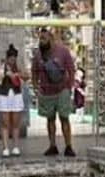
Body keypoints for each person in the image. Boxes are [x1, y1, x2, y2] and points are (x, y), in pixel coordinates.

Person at [32, 27, 76, 157]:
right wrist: (36, 87)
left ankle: (68, 146)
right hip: (46, 92)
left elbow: (71, 69)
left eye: (44, 38)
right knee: (50, 119)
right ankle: (52, 146)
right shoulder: (38, 54)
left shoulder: (63, 51)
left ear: (51, 38)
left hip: (62, 90)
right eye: (40, 38)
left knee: (64, 118)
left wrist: (69, 87)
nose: (41, 41)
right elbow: (34, 71)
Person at [0, 44, 28, 157]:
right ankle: (5, 147)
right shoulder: (1, 65)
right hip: (3, 95)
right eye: (11, 58)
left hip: (16, 95)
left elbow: (27, 76)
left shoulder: (18, 66)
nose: (12, 60)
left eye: (14, 58)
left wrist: (17, 74)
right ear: (7, 57)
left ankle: (16, 146)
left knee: (16, 122)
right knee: (5, 122)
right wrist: (4, 74)